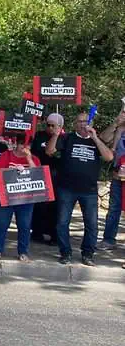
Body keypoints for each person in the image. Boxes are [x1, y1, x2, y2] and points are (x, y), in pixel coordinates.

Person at [47, 111, 114, 266]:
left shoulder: (96, 141)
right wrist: (56, 135)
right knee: (62, 223)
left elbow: (109, 157)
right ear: (75, 124)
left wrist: (95, 137)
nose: (83, 124)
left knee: (91, 225)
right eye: (80, 122)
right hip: (67, 189)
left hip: (89, 191)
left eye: (86, 121)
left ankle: (88, 254)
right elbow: (49, 151)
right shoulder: (67, 138)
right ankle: (65, 253)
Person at [0, 139, 40, 261]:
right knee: (1, 224)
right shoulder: (6, 155)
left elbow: (38, 175)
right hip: (7, 196)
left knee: (24, 225)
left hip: (26, 198)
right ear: (16, 145)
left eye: (28, 145)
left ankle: (23, 252)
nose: (25, 147)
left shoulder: (34, 158)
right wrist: (14, 171)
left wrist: (29, 159)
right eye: (22, 144)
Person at [30, 114, 64, 245]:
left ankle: (54, 235)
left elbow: (57, 154)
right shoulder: (39, 135)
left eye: (53, 125)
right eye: (48, 125)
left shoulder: (63, 138)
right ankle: (37, 232)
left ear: (60, 126)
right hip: (40, 173)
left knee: (54, 207)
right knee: (39, 206)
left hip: (56, 175)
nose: (50, 128)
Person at [98, 110, 125, 251]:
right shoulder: (120, 128)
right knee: (114, 208)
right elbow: (103, 138)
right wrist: (116, 122)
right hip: (117, 176)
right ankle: (108, 239)